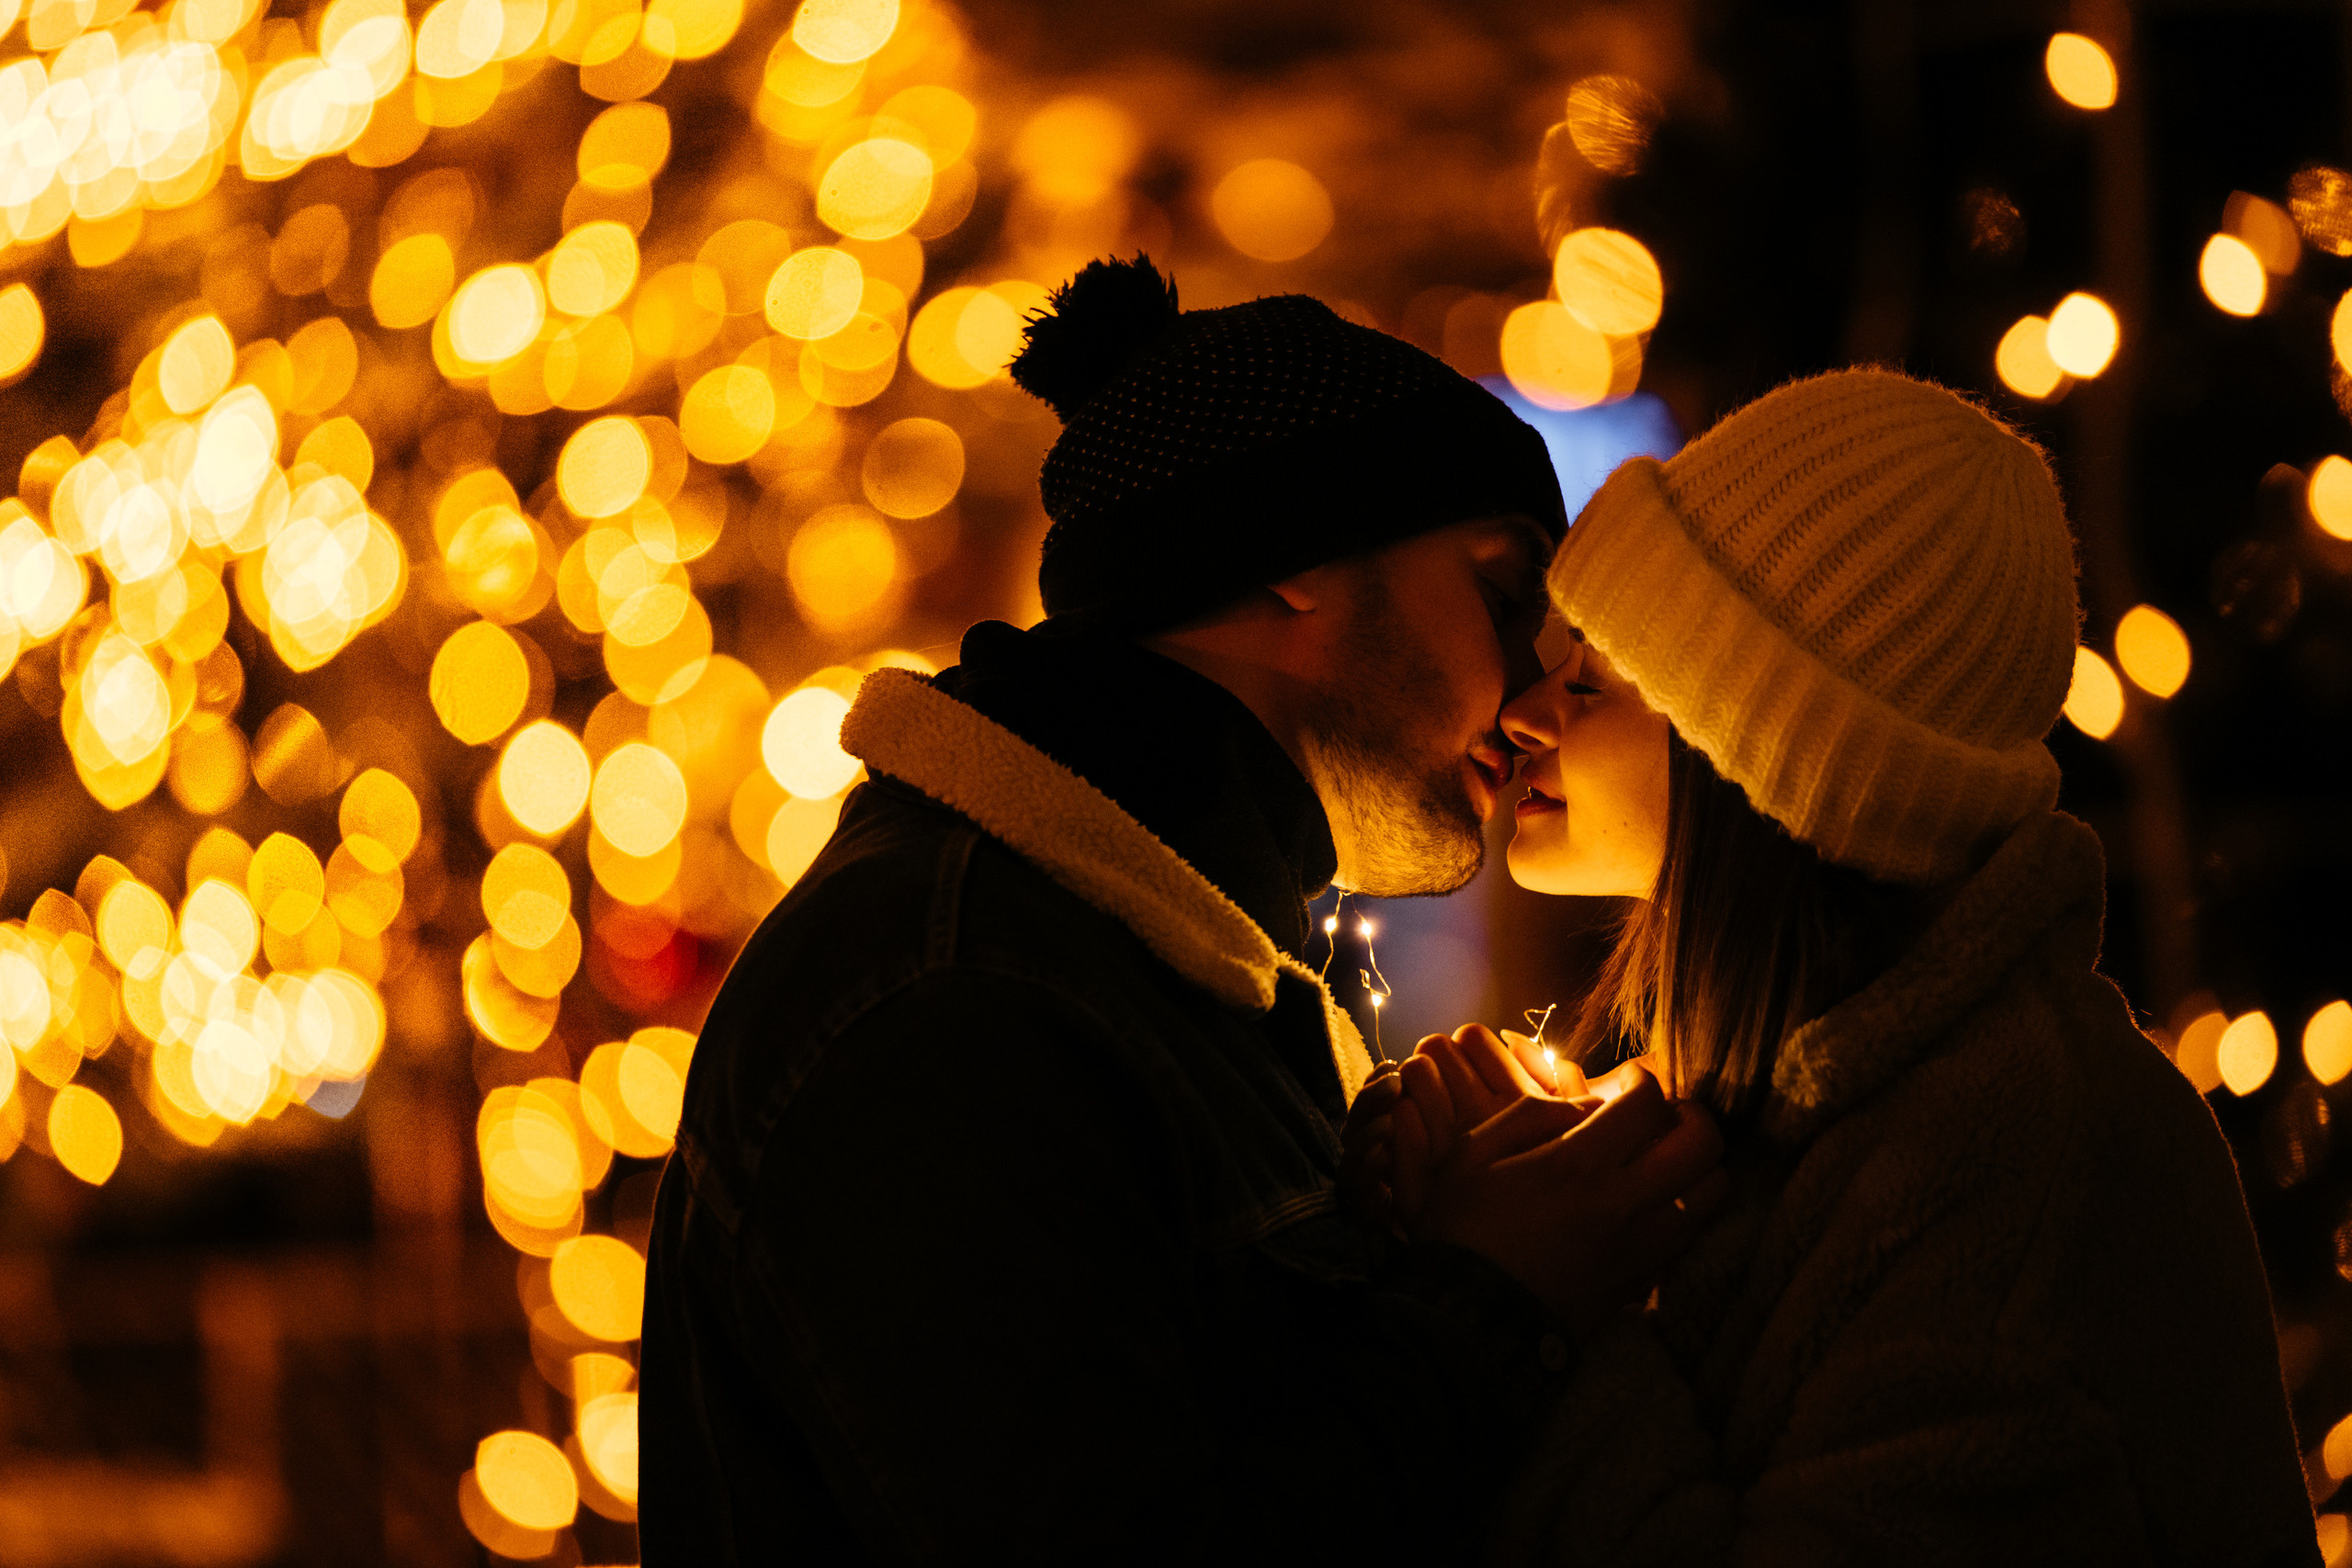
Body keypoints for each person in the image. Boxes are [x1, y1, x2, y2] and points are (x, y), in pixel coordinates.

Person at [638, 256, 1726, 1562]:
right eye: (1501, 596)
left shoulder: (1162, 957)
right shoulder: (956, 1008)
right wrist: (1493, 1298)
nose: (1524, 694)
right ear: (1297, 556)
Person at [1349, 367, 2317, 1565]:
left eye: (1593, 677)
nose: (1528, 713)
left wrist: (1544, 1318)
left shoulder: (2018, 1159)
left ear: (1760, 752)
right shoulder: (1795, 1091)